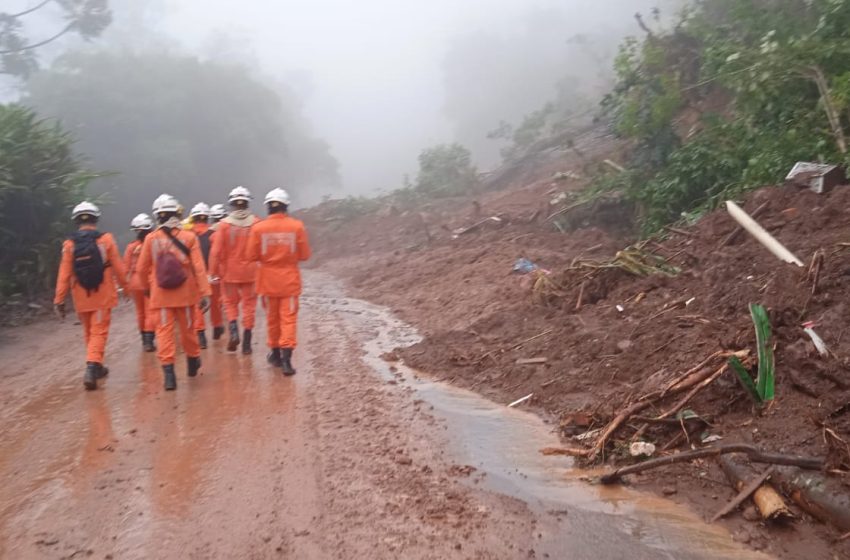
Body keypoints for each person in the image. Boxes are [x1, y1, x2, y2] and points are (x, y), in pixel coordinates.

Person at [135, 194, 211, 391]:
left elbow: (141, 269)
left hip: (160, 296)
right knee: (187, 331)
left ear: (157, 216)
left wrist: (146, 290)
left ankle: (169, 375)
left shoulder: (150, 239)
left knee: (164, 334)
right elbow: (199, 268)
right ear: (176, 213)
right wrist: (205, 292)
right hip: (185, 296)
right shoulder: (189, 237)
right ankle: (193, 360)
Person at [54, 202, 128, 390]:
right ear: (96, 219)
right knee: (99, 331)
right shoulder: (106, 240)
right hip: (102, 294)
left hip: (80, 295)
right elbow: (118, 267)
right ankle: (91, 367)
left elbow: (64, 273)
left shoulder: (69, 244)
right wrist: (126, 287)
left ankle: (97, 366)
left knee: (89, 332)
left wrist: (59, 299)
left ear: (76, 220)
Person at [245, 188, 311, 375]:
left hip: (267, 282)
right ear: (286, 207)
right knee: (288, 320)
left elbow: (251, 255)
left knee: (272, 320)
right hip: (289, 281)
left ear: (268, 207)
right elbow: (305, 255)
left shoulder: (258, 228)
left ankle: (274, 354)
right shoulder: (297, 226)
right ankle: (287, 361)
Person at [209, 186, 260, 355]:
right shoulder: (257, 223)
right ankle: (246, 342)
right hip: (251, 273)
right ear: (247, 203)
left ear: (231, 204)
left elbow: (215, 252)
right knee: (249, 306)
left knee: (230, 303)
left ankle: (233, 330)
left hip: (229, 273)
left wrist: (212, 273)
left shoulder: (224, 226)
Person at [124, 213, 157, 352]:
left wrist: (124, 286)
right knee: (150, 311)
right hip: (148, 280)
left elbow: (125, 267)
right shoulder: (153, 243)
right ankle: (149, 340)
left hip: (134, 282)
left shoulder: (131, 246)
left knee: (140, 312)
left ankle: (144, 340)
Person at [188, 202, 216, 348]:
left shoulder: (188, 235)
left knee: (196, 306)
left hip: (192, 275)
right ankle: (217, 328)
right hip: (209, 274)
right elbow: (217, 255)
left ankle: (201, 336)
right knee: (216, 303)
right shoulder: (213, 234)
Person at [207, 203, 227, 339]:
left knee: (213, 300)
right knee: (227, 298)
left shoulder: (208, 234)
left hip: (213, 269)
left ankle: (216, 325)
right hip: (227, 269)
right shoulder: (229, 229)